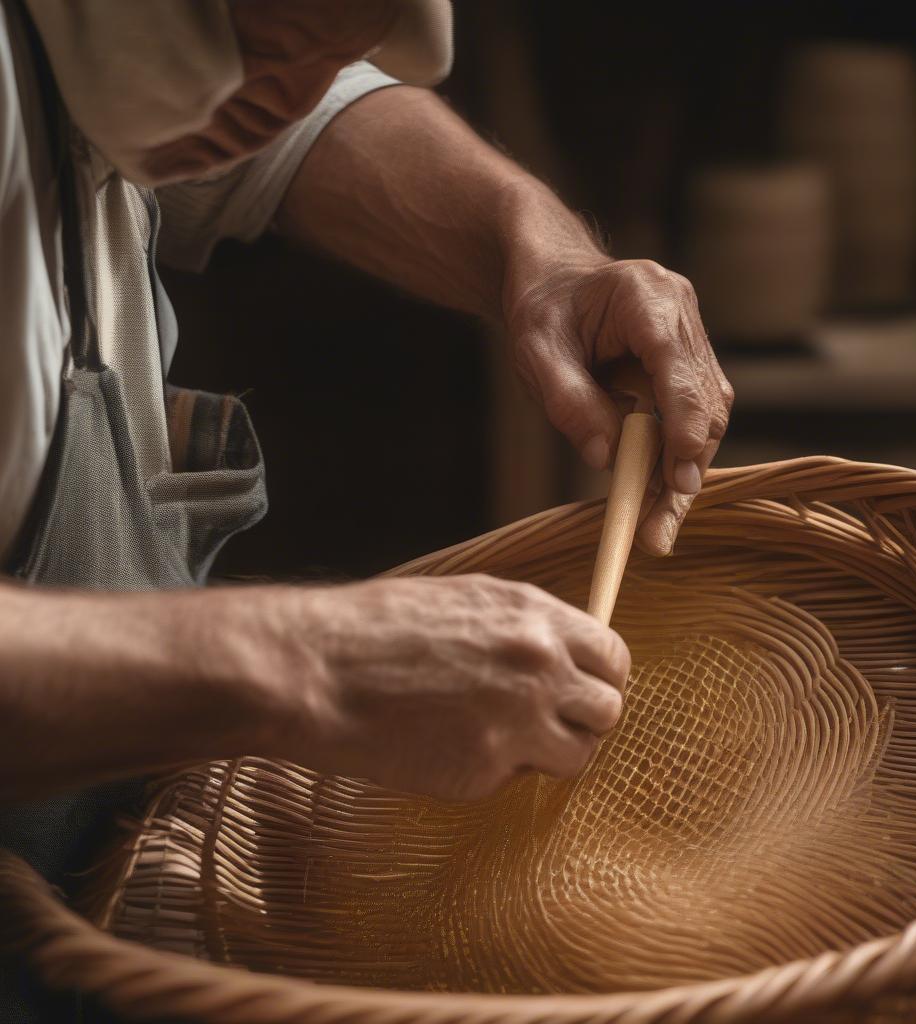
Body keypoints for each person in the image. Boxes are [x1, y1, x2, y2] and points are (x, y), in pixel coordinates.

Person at [0, 2, 732, 1014]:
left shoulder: (168, 56)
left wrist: (532, 248)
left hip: (101, 898)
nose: (280, 95)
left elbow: (263, 116)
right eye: (251, 51)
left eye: (329, 54)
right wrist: (317, 666)